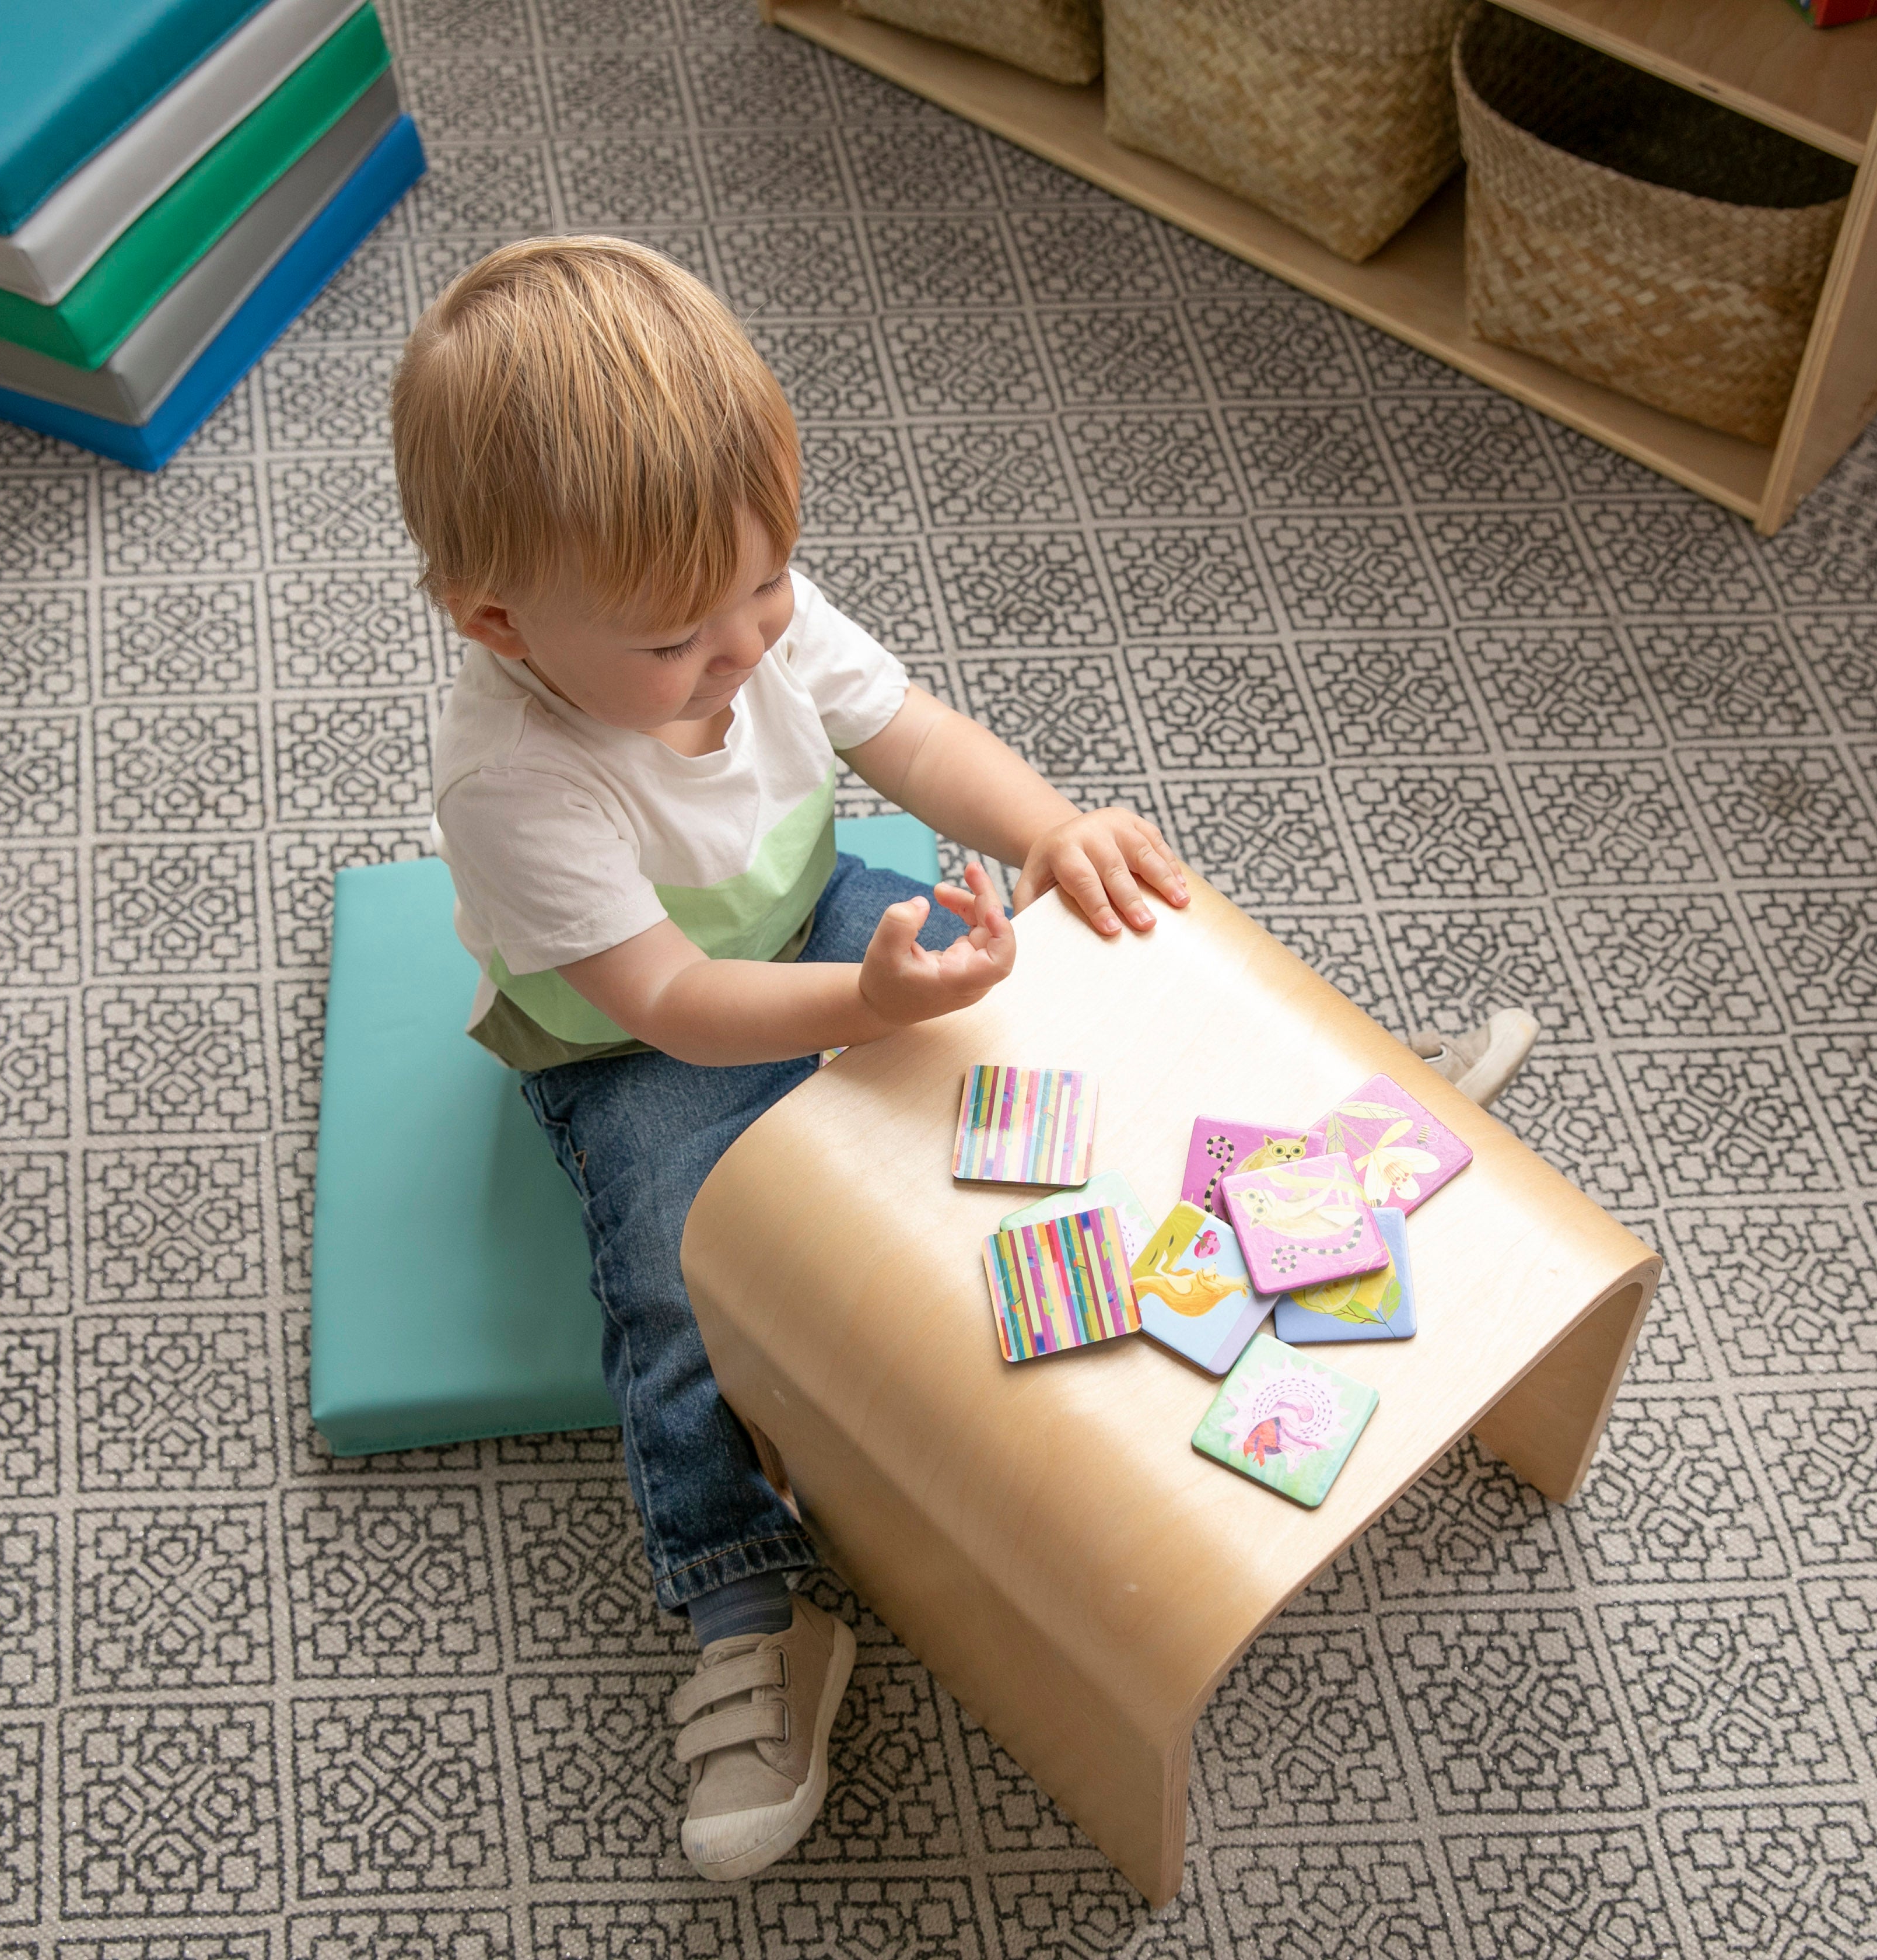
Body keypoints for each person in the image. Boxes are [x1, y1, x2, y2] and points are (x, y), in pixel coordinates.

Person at [390, 235, 1535, 1883]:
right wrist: (869, 1009)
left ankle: (1325, 1150)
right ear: (497, 620)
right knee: (672, 1283)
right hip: (627, 1039)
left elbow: (909, 738)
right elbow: (668, 1001)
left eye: (766, 595)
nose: (741, 653)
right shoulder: (507, 773)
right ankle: (740, 1617)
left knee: (1065, 994)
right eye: (677, 646)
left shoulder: (728, 593)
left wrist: (1054, 832)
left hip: (817, 916)